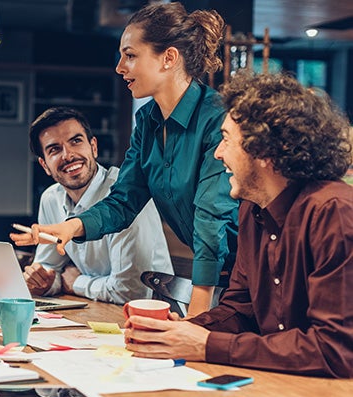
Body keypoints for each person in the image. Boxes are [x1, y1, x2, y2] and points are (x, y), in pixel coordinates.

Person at [11, 2, 238, 316]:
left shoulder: (217, 117)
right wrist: (72, 227)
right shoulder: (147, 121)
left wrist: (198, 316)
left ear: (169, 58)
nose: (120, 67)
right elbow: (124, 200)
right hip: (222, 279)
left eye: (130, 56)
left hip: (253, 271)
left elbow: (211, 218)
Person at [123, 71, 352, 378]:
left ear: (264, 152)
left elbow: (335, 351)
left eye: (227, 140)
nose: (218, 153)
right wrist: (181, 330)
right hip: (287, 386)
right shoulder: (252, 209)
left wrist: (206, 345)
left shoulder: (333, 212)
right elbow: (240, 310)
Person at [23, 107, 173, 304]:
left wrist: (77, 282)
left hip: (152, 314)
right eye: (54, 149)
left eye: (76, 141)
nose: (68, 155)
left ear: (93, 147)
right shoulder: (51, 199)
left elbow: (130, 292)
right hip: (96, 310)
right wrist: (43, 282)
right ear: (45, 165)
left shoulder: (126, 194)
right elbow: (50, 270)